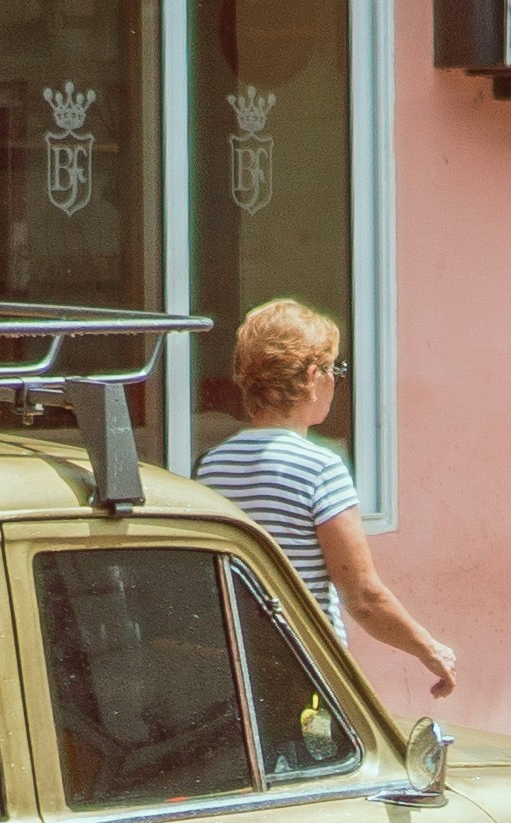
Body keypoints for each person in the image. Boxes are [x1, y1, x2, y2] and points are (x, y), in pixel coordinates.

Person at [194, 299, 460, 698]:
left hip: (236, 671)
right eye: (336, 369)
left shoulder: (210, 466)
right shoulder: (321, 468)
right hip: (304, 670)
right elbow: (363, 596)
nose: (337, 380)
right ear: (313, 376)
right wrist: (431, 650)